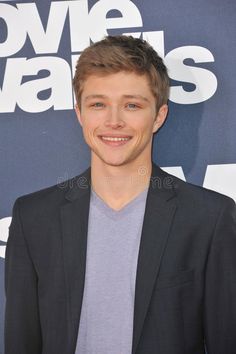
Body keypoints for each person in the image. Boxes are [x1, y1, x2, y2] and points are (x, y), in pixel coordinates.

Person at [4, 35, 236, 354]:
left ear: (158, 116)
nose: (114, 121)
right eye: (98, 104)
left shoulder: (209, 218)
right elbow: (21, 341)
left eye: (132, 105)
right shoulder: (33, 217)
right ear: (79, 114)